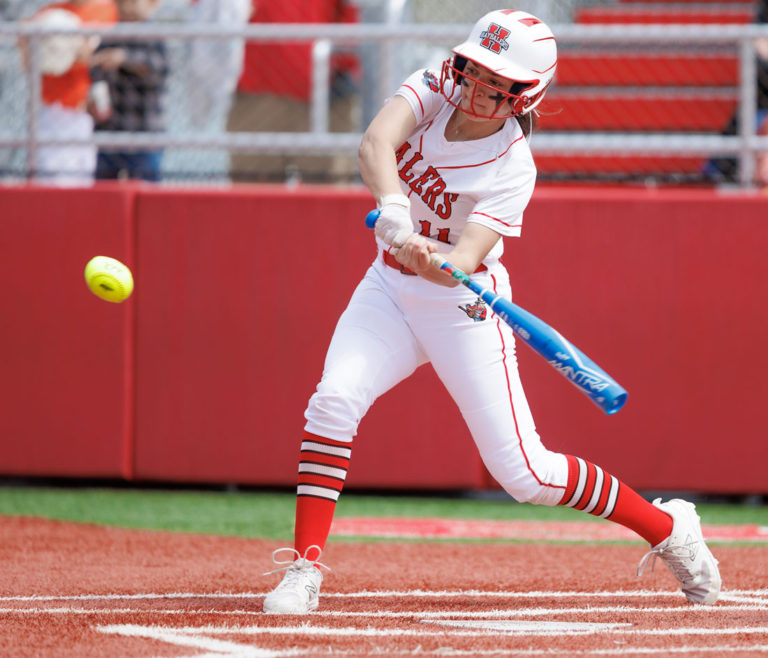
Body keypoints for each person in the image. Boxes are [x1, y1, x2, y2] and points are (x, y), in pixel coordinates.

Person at [261, 9, 722, 615]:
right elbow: (376, 142)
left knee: (526, 475)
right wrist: (396, 211)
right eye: (476, 71)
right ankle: (305, 568)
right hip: (386, 290)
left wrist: (433, 256)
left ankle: (669, 529)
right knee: (334, 399)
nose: (478, 88)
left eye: (496, 82)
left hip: (460, 307)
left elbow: (462, 259)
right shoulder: (436, 85)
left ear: (523, 94)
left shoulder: (512, 166)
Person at [21, 0, 118, 185]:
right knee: (57, 182)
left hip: (101, 117)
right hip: (59, 113)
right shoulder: (48, 15)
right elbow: (28, 62)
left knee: (92, 186)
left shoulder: (110, 11)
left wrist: (88, 55)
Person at [90, 0, 168, 181]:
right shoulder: (110, 34)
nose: (126, 7)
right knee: (104, 194)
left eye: (132, 2)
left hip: (144, 135)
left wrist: (125, 59)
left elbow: (157, 69)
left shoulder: (154, 35)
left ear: (152, 4)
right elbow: (95, 73)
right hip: (110, 133)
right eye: (121, 2)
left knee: (146, 193)